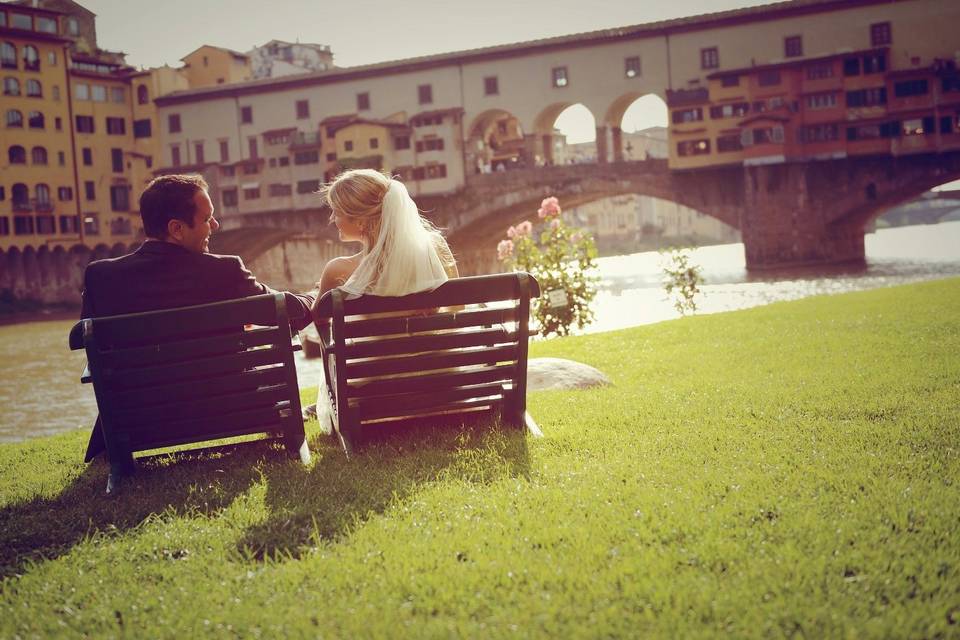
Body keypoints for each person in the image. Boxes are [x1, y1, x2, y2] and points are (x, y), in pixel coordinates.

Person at [80, 174, 315, 462]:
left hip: (139, 418)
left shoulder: (101, 277)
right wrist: (316, 294)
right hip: (231, 410)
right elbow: (289, 311)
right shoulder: (225, 271)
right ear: (176, 229)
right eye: (207, 219)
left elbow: (87, 340)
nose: (215, 226)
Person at [312, 169, 458, 432]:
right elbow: (459, 307)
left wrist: (319, 293)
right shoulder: (435, 250)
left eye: (336, 211)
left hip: (375, 391)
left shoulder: (339, 271)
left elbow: (319, 321)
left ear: (360, 222)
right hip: (441, 377)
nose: (332, 219)